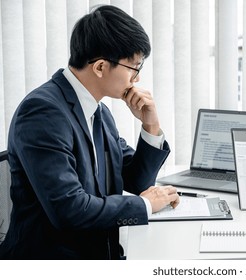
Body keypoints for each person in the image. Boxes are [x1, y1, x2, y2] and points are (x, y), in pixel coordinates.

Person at [0, 5, 179, 259]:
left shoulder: (99, 113)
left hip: (96, 252)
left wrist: (150, 125)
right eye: (133, 68)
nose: (136, 79)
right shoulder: (42, 112)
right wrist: (146, 204)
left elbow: (137, 181)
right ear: (100, 67)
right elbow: (69, 209)